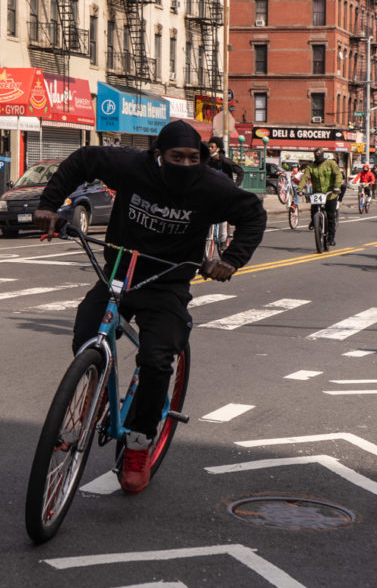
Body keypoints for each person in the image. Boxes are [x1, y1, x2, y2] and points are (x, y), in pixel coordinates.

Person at [34, 120, 267, 494]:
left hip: (168, 283)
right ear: (159, 155)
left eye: (194, 158)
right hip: (119, 272)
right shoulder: (132, 167)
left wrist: (231, 259)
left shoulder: (211, 186)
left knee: (158, 360)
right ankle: (94, 387)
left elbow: (254, 214)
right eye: (177, 157)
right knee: (87, 335)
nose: (186, 164)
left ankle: (139, 444)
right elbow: (82, 160)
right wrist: (49, 205)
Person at [296, 148, 342, 245]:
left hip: (331, 193)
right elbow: (304, 178)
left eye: (319, 154)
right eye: (316, 155)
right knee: (314, 210)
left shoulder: (331, 163)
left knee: (330, 216)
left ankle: (331, 237)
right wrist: (299, 189)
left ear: (323, 155)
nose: (318, 156)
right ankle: (315, 221)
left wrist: (336, 187)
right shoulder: (310, 166)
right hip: (317, 193)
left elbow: (338, 175)